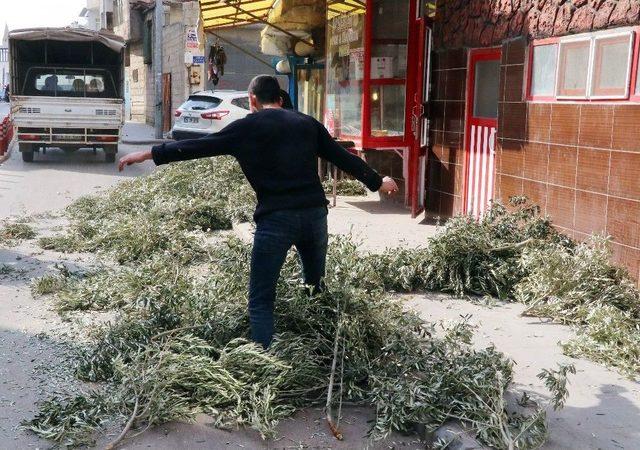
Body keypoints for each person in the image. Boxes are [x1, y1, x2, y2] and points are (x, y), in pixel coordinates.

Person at [118, 75, 399, 348]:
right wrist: (377, 182)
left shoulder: (246, 127)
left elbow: (197, 147)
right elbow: (341, 157)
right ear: (279, 98)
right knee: (315, 288)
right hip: (314, 216)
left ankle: (262, 362)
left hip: (276, 220)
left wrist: (148, 154)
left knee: (261, 299)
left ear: (252, 100)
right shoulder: (306, 123)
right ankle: (319, 348)